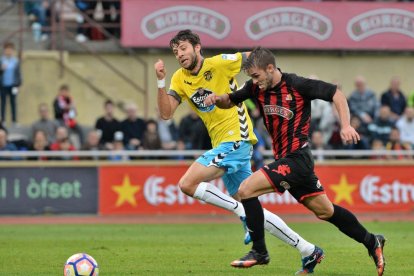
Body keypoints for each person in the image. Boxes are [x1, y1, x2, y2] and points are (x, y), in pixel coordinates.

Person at [204, 47, 386, 276]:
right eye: (251, 77)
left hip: (297, 158)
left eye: (257, 76)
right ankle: (372, 242)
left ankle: (259, 251)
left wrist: (346, 125)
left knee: (246, 189)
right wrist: (216, 98)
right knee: (325, 211)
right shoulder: (255, 87)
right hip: (289, 162)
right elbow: (229, 101)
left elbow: (336, 94)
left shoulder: (297, 85)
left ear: (270, 69)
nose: (254, 81)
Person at [155, 30, 322, 274]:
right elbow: (166, 113)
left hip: (237, 139)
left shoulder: (220, 63)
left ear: (197, 47)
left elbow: (256, 57)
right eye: (175, 51)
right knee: (254, 209)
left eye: (183, 48)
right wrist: (161, 81)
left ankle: (241, 212)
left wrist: (270, 84)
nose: (179, 54)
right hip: (222, 143)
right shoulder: (179, 79)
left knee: (187, 184)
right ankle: (308, 250)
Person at [0, 42, 22, 124]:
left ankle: (14, 120)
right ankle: (3, 120)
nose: (8, 51)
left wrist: (19, 84)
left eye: (10, 49)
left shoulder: (16, 61)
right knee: (3, 103)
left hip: (13, 85)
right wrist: (2, 69)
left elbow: (19, 74)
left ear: (13, 51)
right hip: (3, 85)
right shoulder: (1, 60)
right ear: (4, 51)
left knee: (13, 103)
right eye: (7, 49)